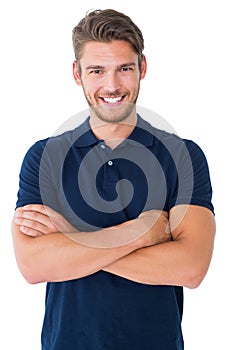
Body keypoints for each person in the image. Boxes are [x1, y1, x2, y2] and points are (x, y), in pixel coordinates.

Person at [12, 8, 216, 350]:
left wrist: (72, 241)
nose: (112, 85)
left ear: (142, 69)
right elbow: (34, 265)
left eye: (124, 68)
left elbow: (192, 267)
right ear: (77, 74)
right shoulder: (44, 157)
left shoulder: (183, 155)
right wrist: (142, 235)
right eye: (97, 70)